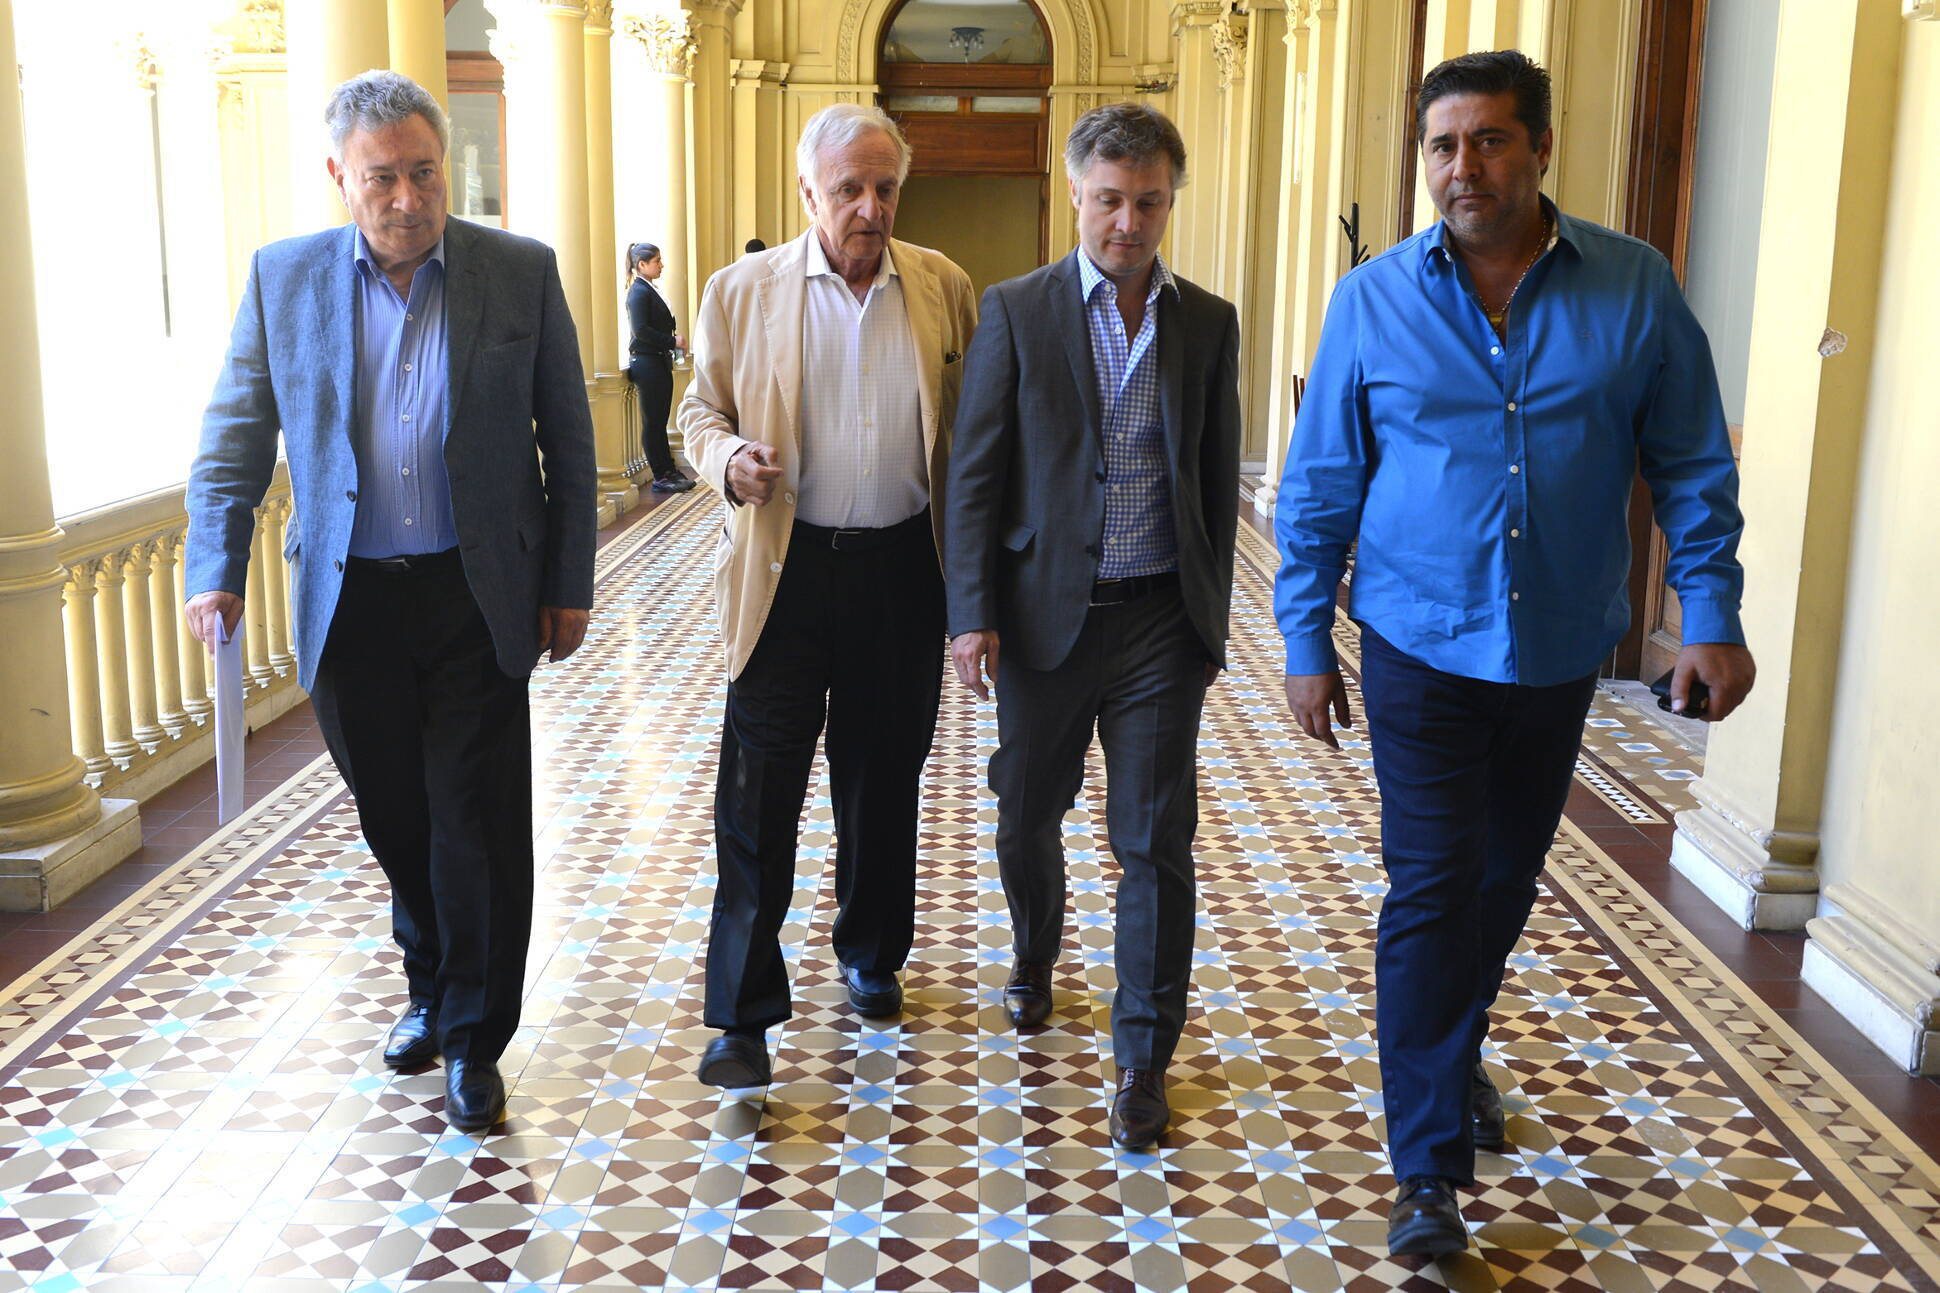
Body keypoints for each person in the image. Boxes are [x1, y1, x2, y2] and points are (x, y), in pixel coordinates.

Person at [1273, 50, 1755, 1257]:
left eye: (1486, 140)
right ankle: (1425, 1168)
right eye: (1441, 145)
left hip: (1552, 648)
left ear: (1538, 148)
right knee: (1432, 886)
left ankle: (1446, 1044)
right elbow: (1321, 486)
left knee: (1501, 881)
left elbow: (1691, 464)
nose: (1460, 166)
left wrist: (1707, 612)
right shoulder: (1372, 301)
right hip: (1415, 644)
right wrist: (1301, 638)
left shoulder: (1633, 289)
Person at [183, 70, 596, 1134]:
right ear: (339, 177)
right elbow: (234, 439)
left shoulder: (516, 271)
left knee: (474, 822)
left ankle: (473, 1037)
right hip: (349, 605)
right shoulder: (284, 280)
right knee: (395, 819)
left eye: (423, 172)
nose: (407, 197)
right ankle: (429, 981)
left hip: (474, 591)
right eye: (382, 178)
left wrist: (567, 587)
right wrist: (212, 568)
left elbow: (569, 437)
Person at [945, 103, 1241, 1151]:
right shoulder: (1017, 311)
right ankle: (1035, 951)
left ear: (1169, 199)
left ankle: (1140, 1058)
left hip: (1159, 618)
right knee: (1026, 811)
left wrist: (1210, 621)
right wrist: (970, 615)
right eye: (1109, 200)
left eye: (1148, 201)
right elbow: (974, 474)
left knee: (1153, 839)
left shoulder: (1206, 322)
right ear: (1075, 194)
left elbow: (1213, 481)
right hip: (1040, 623)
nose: (1127, 222)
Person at [677, 104, 978, 1087]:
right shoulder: (740, 292)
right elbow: (697, 412)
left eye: (883, 187)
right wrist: (728, 461)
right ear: (806, 192)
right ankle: (740, 1016)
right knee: (757, 797)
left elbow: (972, 439)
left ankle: (870, 951)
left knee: (884, 781)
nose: (868, 207)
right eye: (847, 188)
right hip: (784, 572)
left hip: (900, 570)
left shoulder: (942, 289)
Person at [626, 241, 693, 493]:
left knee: (660, 418)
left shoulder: (648, 289)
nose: (661, 265)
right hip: (647, 362)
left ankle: (668, 468)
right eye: (657, 261)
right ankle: (661, 474)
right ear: (642, 265)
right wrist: (672, 341)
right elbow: (640, 330)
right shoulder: (638, 292)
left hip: (657, 360)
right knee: (653, 421)